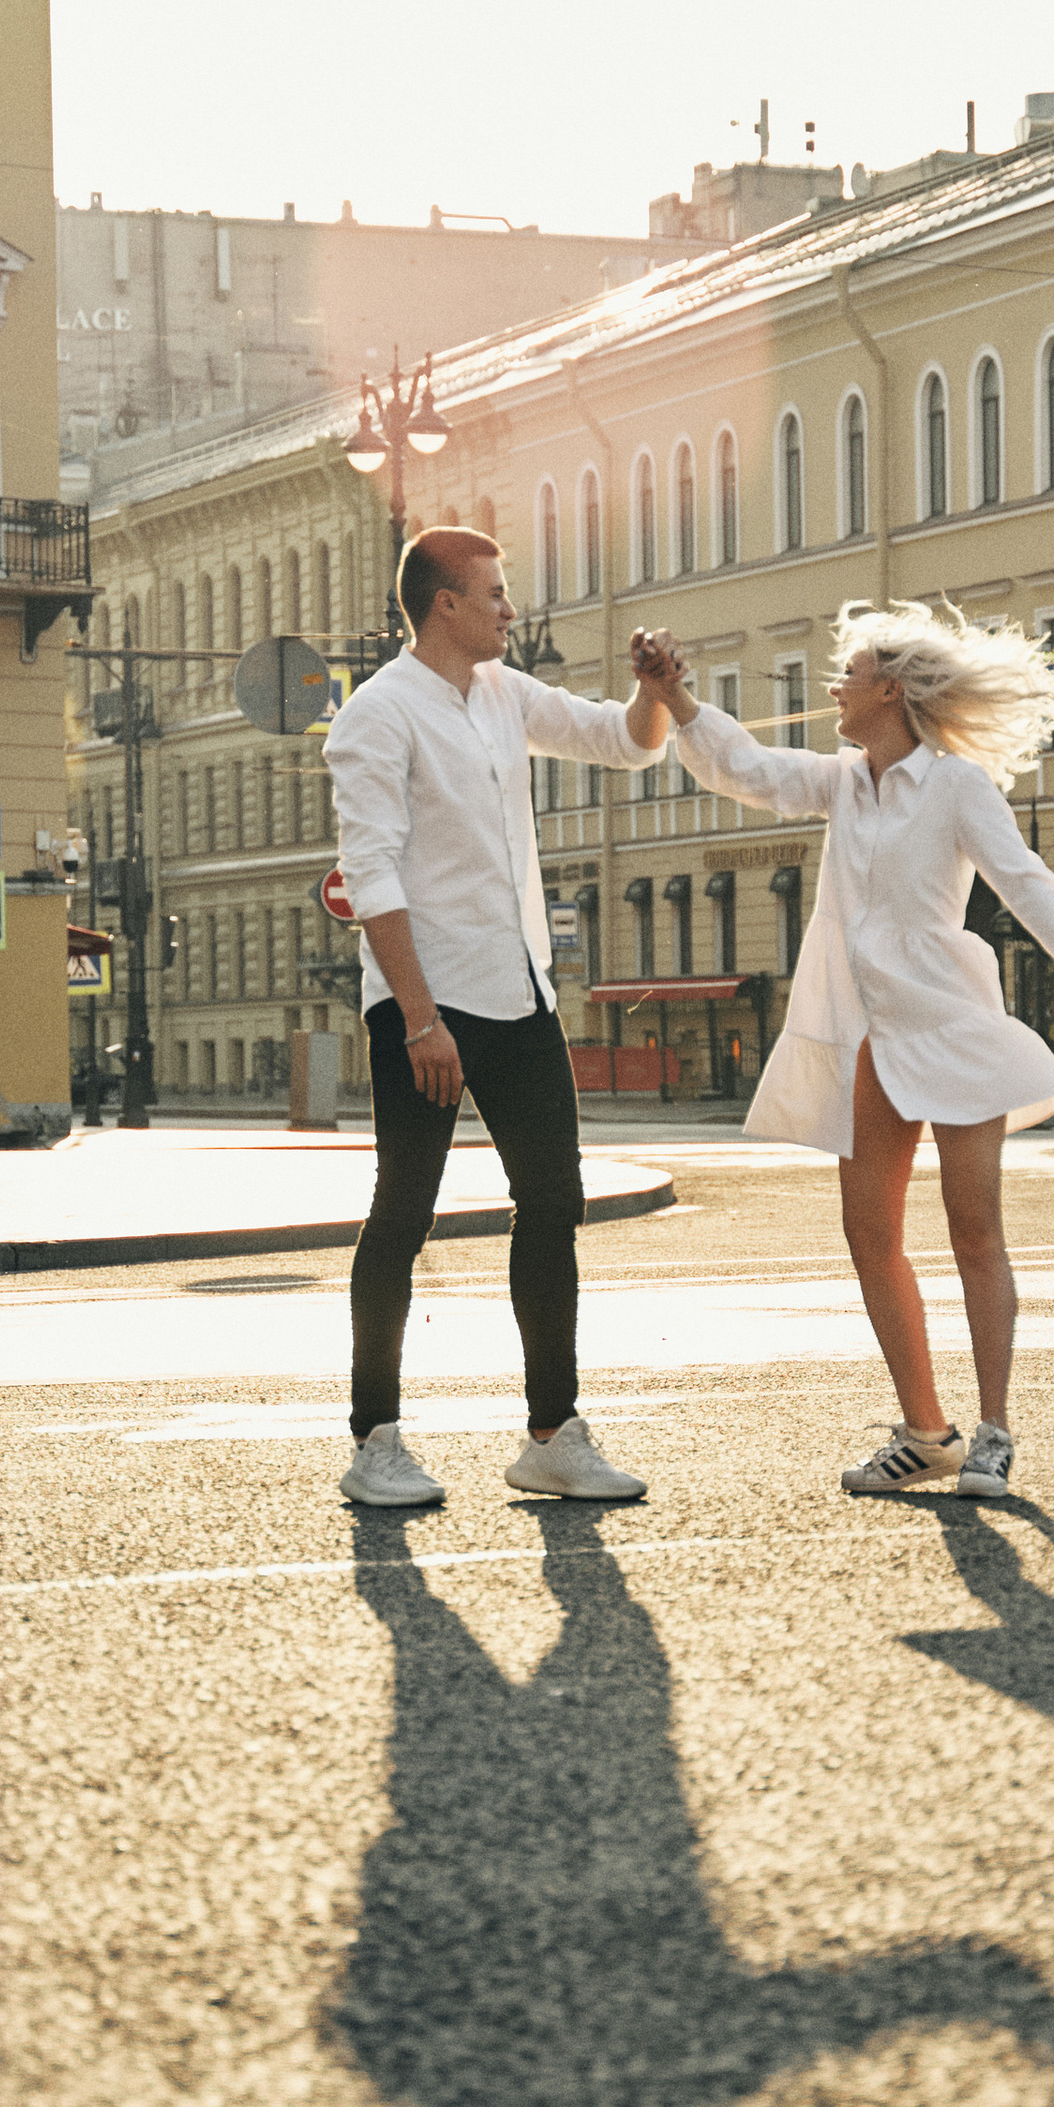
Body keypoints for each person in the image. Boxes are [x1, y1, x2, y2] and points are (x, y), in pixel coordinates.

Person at [630, 600, 1054, 1502]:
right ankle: (925, 1431)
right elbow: (746, 770)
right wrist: (674, 696)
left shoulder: (955, 786)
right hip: (871, 1034)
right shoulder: (841, 780)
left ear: (891, 689)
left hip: (951, 1027)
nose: (835, 686)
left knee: (973, 1230)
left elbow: (1020, 878)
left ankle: (992, 1431)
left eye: (849, 672)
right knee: (870, 1236)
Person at [323, 525, 673, 1510]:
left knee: (553, 1202)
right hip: (424, 1002)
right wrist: (421, 1019)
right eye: (495, 594)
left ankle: (553, 1434)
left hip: (517, 989)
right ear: (445, 604)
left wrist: (650, 690)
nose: (510, 610)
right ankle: (375, 1440)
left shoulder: (505, 695)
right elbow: (371, 871)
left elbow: (625, 744)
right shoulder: (378, 715)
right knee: (404, 1211)